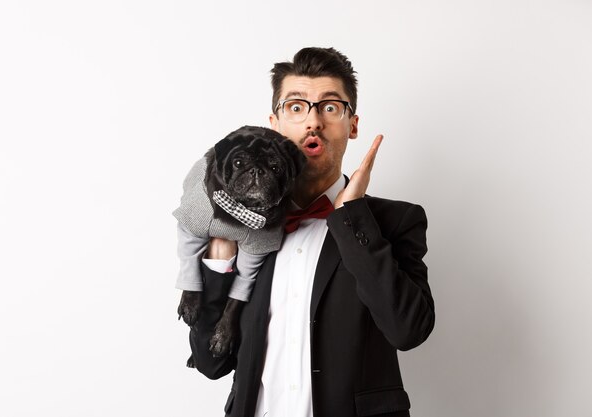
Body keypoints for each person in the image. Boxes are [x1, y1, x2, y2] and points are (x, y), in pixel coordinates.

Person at [184, 47, 435, 417]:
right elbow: (210, 363)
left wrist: (351, 218)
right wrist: (220, 261)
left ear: (352, 125)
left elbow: (408, 331)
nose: (313, 121)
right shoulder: (241, 225)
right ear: (276, 124)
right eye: (296, 107)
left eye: (330, 107)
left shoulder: (396, 221)